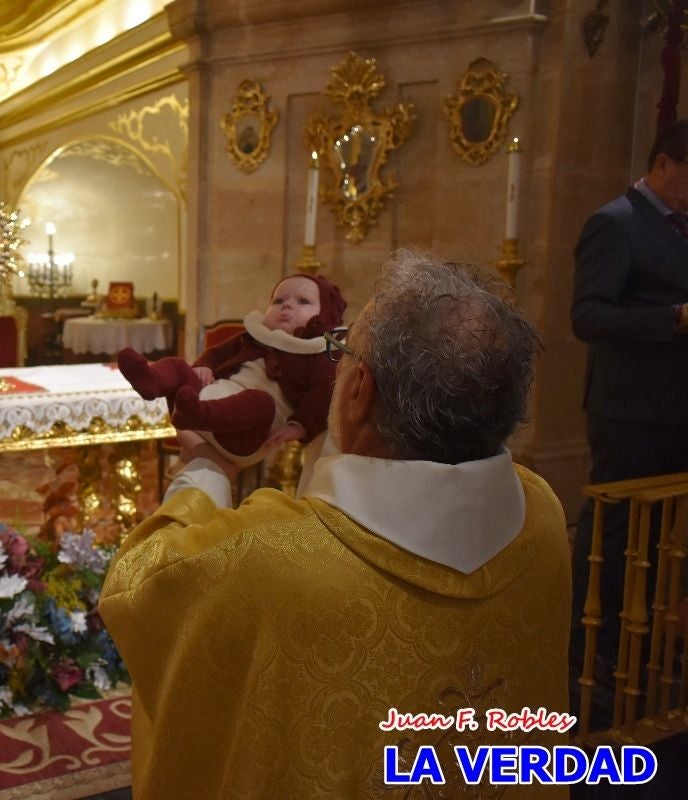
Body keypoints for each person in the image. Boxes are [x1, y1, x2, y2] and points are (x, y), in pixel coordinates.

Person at [100, 252, 571, 798]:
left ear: (358, 390)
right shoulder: (542, 514)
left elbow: (140, 585)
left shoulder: (265, 555)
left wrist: (209, 466)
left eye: (343, 349)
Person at [569, 119, 688, 728]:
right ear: (665, 165)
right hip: (629, 410)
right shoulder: (614, 223)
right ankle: (595, 658)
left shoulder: (680, 226)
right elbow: (588, 316)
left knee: (667, 534)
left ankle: (648, 654)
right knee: (616, 533)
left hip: (675, 408)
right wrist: (675, 319)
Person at [117, 273, 345, 465]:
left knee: (259, 401)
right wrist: (204, 366)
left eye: (303, 301)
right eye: (278, 301)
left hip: (243, 435)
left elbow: (324, 392)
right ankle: (151, 381)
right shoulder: (254, 337)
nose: (287, 305)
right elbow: (216, 353)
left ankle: (197, 414)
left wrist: (299, 426)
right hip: (203, 401)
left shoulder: (315, 351)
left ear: (324, 316)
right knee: (178, 365)